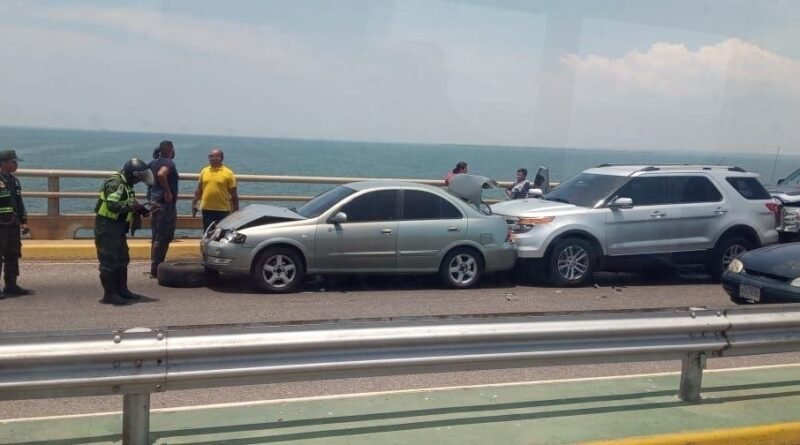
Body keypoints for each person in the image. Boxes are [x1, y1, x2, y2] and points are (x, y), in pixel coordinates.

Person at [94, 158, 154, 305]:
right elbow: (113, 206)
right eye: (138, 178)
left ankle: (122, 290)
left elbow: (128, 203)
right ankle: (110, 295)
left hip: (119, 226)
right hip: (107, 227)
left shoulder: (126, 183)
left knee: (122, 259)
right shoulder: (116, 184)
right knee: (109, 261)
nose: (139, 181)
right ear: (132, 174)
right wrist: (132, 206)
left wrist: (140, 209)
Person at [0, 150, 31, 299]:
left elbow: (18, 202)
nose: (16, 164)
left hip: (12, 224)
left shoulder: (13, 180)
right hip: (1, 224)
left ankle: (11, 285)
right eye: (13, 162)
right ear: (4, 163)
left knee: (13, 255)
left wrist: (24, 221)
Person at [148, 140, 178, 278]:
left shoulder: (152, 162)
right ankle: (157, 268)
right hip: (164, 205)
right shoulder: (168, 163)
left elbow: (144, 175)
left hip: (154, 202)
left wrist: (152, 190)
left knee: (156, 235)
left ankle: (154, 265)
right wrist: (167, 192)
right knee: (164, 236)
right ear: (170, 150)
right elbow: (161, 174)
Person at [192, 148, 239, 231]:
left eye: (211, 156)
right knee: (208, 232)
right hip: (207, 209)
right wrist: (194, 203)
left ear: (220, 158)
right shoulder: (204, 171)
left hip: (223, 210)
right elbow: (199, 190)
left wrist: (236, 208)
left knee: (221, 233)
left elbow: (234, 193)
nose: (209, 158)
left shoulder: (228, 173)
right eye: (209, 156)